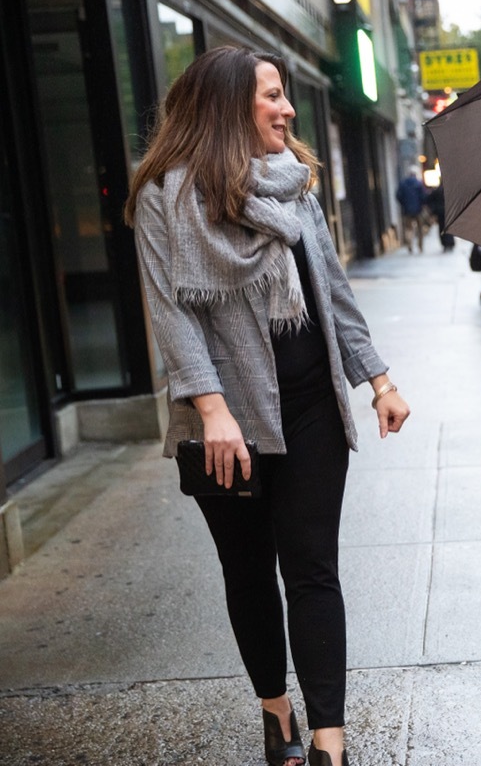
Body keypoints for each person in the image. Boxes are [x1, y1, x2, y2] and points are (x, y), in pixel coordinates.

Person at [125, 46, 410, 766]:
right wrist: (214, 410)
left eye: (285, 96)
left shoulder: (295, 189)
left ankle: (329, 743)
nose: (287, 110)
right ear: (228, 106)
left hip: (312, 401)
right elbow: (172, 314)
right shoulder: (166, 194)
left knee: (313, 567)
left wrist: (376, 379)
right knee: (249, 570)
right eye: (273, 96)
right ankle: (276, 714)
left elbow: (332, 293)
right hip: (228, 415)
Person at [396, 169, 427, 253]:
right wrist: (422, 204)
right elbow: (423, 196)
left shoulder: (403, 184)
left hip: (407, 210)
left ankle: (409, 244)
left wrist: (404, 204)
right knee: (420, 228)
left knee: (408, 229)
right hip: (418, 210)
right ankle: (420, 246)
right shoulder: (419, 183)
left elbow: (398, 196)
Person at [425, 182, 453, 252]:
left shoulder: (437, 190)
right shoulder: (449, 190)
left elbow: (429, 199)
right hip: (448, 211)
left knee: (442, 227)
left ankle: (444, 243)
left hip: (440, 212)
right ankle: (450, 243)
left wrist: (433, 209)